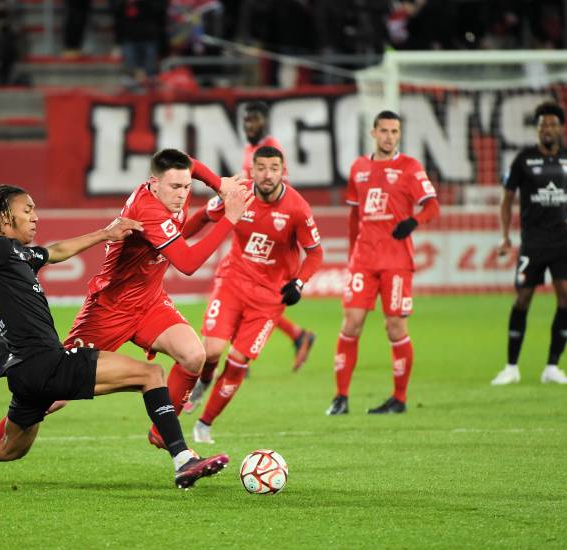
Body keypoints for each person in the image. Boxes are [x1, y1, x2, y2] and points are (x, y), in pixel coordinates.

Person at [0, 185, 231, 494]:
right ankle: (183, 460)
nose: (36, 216)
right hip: (46, 363)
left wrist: (106, 233)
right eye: (28, 210)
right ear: (7, 219)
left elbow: (57, 251)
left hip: (25, 375)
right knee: (150, 375)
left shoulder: (21, 255)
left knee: (9, 448)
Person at [0, 149, 250, 490]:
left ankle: (163, 430)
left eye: (187, 186)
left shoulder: (175, 189)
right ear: (154, 183)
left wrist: (218, 188)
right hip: (108, 310)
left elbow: (187, 168)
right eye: (175, 187)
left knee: (194, 355)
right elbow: (187, 263)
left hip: (149, 301)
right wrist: (228, 215)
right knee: (52, 395)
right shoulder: (148, 208)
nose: (182, 193)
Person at [181, 145, 323, 442]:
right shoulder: (238, 194)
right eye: (262, 168)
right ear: (252, 170)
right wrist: (175, 240)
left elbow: (315, 254)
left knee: (236, 362)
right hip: (233, 281)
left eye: (274, 168)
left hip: (269, 299)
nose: (268, 174)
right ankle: (204, 381)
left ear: (284, 171)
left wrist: (299, 282)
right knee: (212, 352)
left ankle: (204, 424)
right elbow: (204, 217)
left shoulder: (297, 208)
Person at [326, 110, 440, 416]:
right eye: (385, 131)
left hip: (396, 261)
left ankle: (399, 399)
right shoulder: (359, 168)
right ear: (373, 133)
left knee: (395, 326)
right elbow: (353, 215)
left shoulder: (410, 167)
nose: (390, 136)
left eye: (395, 131)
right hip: (364, 259)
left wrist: (413, 222)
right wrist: (352, 255)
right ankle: (340, 397)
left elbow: (432, 205)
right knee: (351, 323)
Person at [491, 101, 567, 386]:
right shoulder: (523, 159)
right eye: (542, 125)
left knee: (565, 297)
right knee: (522, 298)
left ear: (560, 128)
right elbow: (507, 198)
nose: (547, 129)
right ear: (536, 130)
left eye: (552, 124)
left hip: (563, 243)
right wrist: (505, 235)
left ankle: (552, 366)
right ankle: (511, 366)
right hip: (533, 242)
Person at [240, 101, 316, 373]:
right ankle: (297, 336)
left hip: (271, 228)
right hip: (249, 227)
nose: (249, 125)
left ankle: (242, 354)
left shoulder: (270, 148)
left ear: (265, 122)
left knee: (256, 294)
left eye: (255, 120)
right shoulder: (250, 149)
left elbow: (279, 191)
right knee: (247, 291)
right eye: (247, 120)